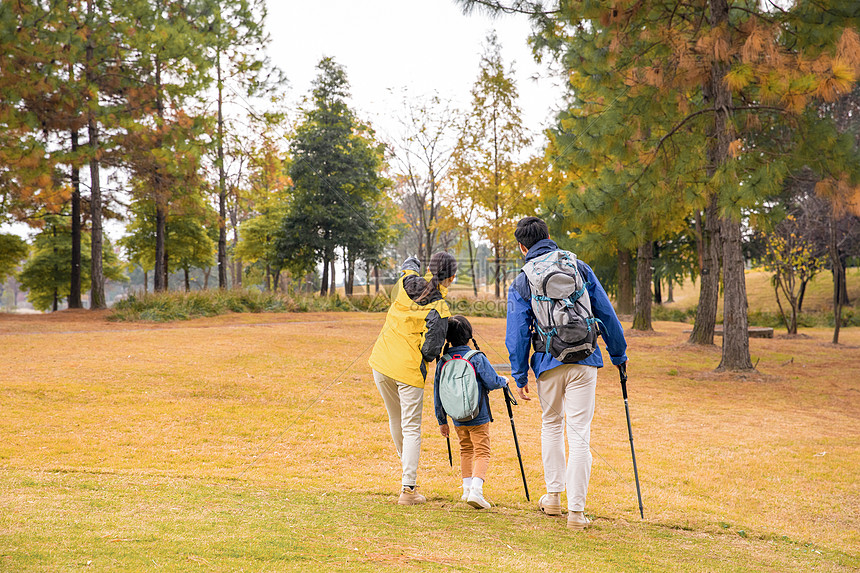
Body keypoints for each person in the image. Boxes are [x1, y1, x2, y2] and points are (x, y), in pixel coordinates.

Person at [505, 216, 628, 529]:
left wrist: (519, 376)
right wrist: (618, 354)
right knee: (579, 433)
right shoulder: (578, 266)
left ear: (522, 247)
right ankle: (577, 512)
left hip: (548, 362)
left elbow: (517, 332)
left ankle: (554, 499)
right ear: (549, 237)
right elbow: (605, 311)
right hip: (585, 359)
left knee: (551, 425)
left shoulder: (522, 280)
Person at [369, 252, 457, 505]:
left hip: (381, 363)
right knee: (411, 429)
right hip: (407, 370)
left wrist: (413, 259)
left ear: (430, 269)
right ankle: (408, 490)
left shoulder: (407, 281)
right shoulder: (440, 308)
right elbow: (431, 350)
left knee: (396, 419)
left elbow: (408, 266)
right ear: (450, 278)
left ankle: (406, 467)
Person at [433, 315, 509, 510]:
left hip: (456, 416)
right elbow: (492, 381)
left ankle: (467, 489)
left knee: (465, 449)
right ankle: (476, 490)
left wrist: (442, 420)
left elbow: (437, 392)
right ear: (469, 335)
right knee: (482, 451)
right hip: (478, 414)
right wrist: (504, 381)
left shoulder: (443, 361)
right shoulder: (476, 357)